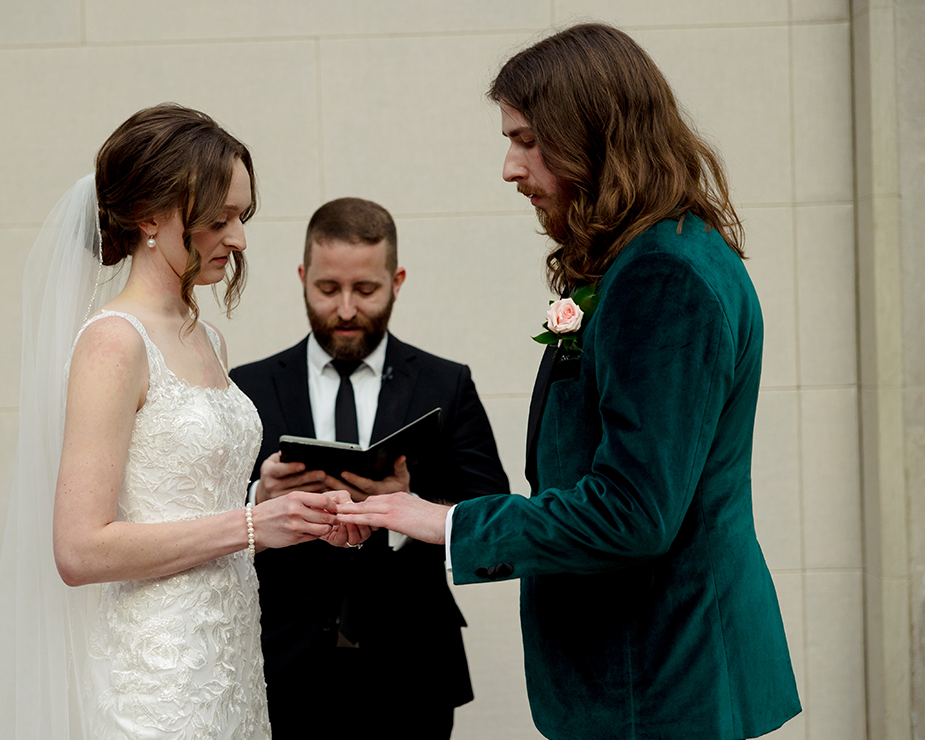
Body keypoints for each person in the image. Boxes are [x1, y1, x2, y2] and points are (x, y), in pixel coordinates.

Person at [337, 24, 802, 740]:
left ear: (591, 134)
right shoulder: (650, 256)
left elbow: (632, 513)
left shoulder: (661, 276)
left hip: (658, 677)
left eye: (526, 141)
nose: (509, 168)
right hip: (653, 672)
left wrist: (447, 522)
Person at [0, 104, 367, 740]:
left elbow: (182, 506)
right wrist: (252, 524)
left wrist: (279, 508)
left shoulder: (207, 338)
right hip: (157, 679)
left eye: (242, 217)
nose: (239, 239)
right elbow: (80, 550)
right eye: (217, 219)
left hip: (231, 665)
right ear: (149, 217)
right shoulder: (114, 343)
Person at [229, 197, 509, 740]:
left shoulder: (446, 383)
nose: (346, 310)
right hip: (281, 665)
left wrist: (410, 510)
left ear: (396, 281)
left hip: (413, 669)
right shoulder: (249, 385)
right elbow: (204, 516)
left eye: (365, 289)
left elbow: (490, 513)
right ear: (302, 278)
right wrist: (258, 496)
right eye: (327, 288)